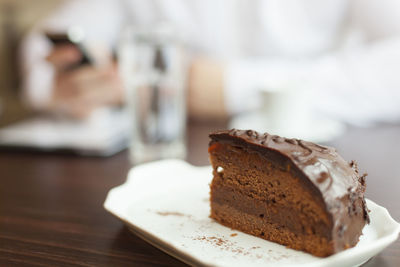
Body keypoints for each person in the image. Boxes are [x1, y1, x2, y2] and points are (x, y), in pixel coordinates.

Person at [20, 0, 400, 124]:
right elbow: (46, 41)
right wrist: (62, 84)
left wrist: (236, 86)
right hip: (165, 159)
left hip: (316, 144)